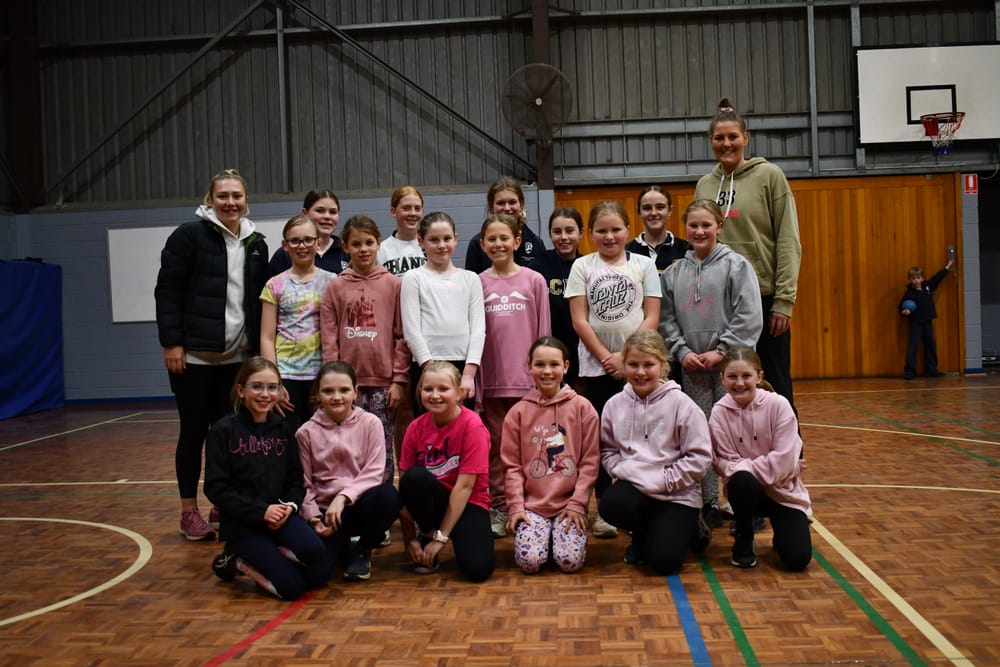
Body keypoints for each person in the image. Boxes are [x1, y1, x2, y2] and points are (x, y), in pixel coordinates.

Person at [155, 168, 269, 541]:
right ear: (210, 200)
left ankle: (224, 502)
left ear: (246, 200)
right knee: (193, 433)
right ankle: (188, 511)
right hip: (193, 358)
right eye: (223, 196)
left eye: (237, 196)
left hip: (237, 358)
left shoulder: (256, 243)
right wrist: (172, 342)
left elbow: (257, 301)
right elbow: (167, 291)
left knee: (229, 434)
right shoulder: (188, 236)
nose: (230, 202)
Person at [694, 98, 802, 422]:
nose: (726, 144)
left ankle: (790, 449)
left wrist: (784, 300)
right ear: (711, 141)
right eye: (719, 138)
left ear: (745, 138)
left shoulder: (769, 176)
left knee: (775, 383)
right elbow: (699, 239)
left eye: (732, 137)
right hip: (720, 301)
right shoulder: (705, 184)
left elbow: (788, 239)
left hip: (764, 298)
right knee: (728, 384)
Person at [658, 199, 762, 528]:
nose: (700, 231)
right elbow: (666, 319)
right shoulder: (674, 273)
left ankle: (745, 504)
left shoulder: (737, 266)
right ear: (685, 228)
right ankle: (709, 502)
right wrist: (682, 351)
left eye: (706, 225)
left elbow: (748, 315)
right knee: (699, 435)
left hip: (731, 370)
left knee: (738, 435)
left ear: (719, 226)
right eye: (694, 225)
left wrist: (723, 350)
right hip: (694, 370)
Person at [565, 200, 661, 538]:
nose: (609, 237)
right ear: (590, 233)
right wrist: (608, 356)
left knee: (639, 435)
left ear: (627, 231)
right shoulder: (582, 266)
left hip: (638, 368)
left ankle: (643, 501)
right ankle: (604, 506)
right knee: (602, 439)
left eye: (616, 230)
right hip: (597, 368)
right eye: (601, 231)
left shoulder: (644, 265)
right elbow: (580, 320)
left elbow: (652, 315)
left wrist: (627, 358)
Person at [204, 357, 327, 599]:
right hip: (243, 524)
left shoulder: (283, 429)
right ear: (241, 390)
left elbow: (295, 478)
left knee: (317, 571)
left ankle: (271, 553)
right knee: (292, 588)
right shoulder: (223, 431)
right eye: (257, 386)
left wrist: (289, 507)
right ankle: (236, 560)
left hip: (281, 518)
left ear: (280, 391)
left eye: (272, 387)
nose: (265, 394)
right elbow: (216, 488)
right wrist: (262, 511)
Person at [598, 331, 713, 574]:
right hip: (636, 486)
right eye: (633, 364)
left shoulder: (683, 405)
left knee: (664, 562)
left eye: (648, 365)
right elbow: (608, 451)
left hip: (676, 493)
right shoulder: (614, 405)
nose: (640, 372)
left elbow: (699, 458)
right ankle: (642, 533)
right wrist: (623, 470)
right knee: (610, 505)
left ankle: (693, 526)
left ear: (662, 365)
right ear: (624, 365)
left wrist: (667, 480)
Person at [320, 215, 410, 486]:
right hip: (348, 385)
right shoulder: (336, 286)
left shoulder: (393, 284)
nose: (363, 249)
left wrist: (399, 380)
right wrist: (333, 380)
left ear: (378, 243)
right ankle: (351, 498)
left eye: (369, 242)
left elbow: (401, 335)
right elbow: (329, 338)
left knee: (381, 444)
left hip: (384, 383)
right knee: (350, 445)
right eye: (356, 244)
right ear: (346, 247)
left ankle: (381, 500)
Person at [477, 213, 552, 537]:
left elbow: (544, 332)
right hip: (492, 383)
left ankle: (534, 504)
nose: (498, 244)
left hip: (528, 384)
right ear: (483, 245)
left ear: (517, 242)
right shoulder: (477, 283)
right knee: (497, 449)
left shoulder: (534, 280)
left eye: (504, 238)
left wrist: (543, 375)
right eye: (492, 239)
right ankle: (500, 506)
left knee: (534, 448)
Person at [296, 361, 402, 582]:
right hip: (326, 513)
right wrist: (313, 516)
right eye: (328, 391)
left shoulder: (371, 423)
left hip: (359, 505)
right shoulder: (305, 433)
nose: (337, 397)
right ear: (318, 394)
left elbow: (374, 472)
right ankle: (341, 546)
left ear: (355, 392)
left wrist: (343, 497)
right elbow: (304, 483)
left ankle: (362, 549)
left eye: (344, 390)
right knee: (316, 576)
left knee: (389, 496)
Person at [501, 337, 599, 574]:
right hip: (532, 506)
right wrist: (516, 506)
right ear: (529, 366)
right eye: (540, 364)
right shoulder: (517, 413)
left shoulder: (583, 408)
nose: (547, 371)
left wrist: (578, 504)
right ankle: (544, 536)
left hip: (568, 504)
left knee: (569, 562)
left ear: (565, 366)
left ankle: (558, 539)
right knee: (530, 562)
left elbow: (590, 463)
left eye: (554, 364)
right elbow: (511, 466)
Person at [709, 346, 812, 570]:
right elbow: (723, 462)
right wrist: (784, 466)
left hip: (783, 490)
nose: (739, 383)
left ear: (759, 376)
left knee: (797, 560)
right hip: (746, 493)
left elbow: (783, 461)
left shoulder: (779, 405)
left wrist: (739, 466)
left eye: (746, 376)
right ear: (722, 379)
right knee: (741, 481)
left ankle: (784, 530)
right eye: (732, 376)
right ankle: (744, 535)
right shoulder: (718, 412)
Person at [398, 361, 495, 581]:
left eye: (443, 389)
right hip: (433, 502)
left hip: (468, 501)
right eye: (428, 389)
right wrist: (409, 539)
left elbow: (465, 487)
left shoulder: (473, 426)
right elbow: (405, 489)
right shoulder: (415, 428)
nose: (435, 395)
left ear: (459, 393)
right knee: (414, 478)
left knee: (478, 569)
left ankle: (440, 535)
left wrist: (441, 539)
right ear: (419, 391)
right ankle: (426, 533)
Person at [401, 212, 485, 412]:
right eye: (434, 240)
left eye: (447, 239)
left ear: (455, 239)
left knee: (462, 426)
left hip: (462, 367)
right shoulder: (413, 278)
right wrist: (431, 370)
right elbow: (411, 330)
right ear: (421, 240)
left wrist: (469, 374)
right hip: (426, 365)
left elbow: (478, 329)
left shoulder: (471, 279)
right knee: (428, 427)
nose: (441, 245)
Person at [259, 215, 336, 430]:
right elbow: (266, 336)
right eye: (295, 241)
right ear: (285, 245)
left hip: (320, 373)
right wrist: (273, 381)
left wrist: (332, 376)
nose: (302, 246)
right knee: (286, 436)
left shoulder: (332, 281)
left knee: (320, 436)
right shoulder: (274, 284)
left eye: (308, 240)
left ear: (318, 243)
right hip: (286, 374)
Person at [527, 207, 584, 386]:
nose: (563, 237)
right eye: (557, 232)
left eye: (570, 231)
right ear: (550, 234)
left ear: (581, 233)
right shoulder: (537, 268)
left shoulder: (588, 266)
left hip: (582, 352)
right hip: (549, 353)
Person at [464, 177, 546, 274]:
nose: (507, 208)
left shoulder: (536, 243)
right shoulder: (477, 244)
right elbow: (472, 282)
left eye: (512, 202)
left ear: (521, 204)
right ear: (491, 207)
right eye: (501, 203)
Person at [268, 189, 348, 276]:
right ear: (305, 213)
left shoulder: (347, 251)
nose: (327, 216)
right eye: (320, 211)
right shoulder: (285, 254)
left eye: (333, 212)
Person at [899, 260, 954, 379]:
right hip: (915, 323)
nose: (916, 280)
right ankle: (910, 371)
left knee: (930, 345)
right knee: (913, 347)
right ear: (910, 279)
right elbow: (901, 307)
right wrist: (904, 312)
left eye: (918, 278)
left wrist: (947, 267)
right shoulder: (909, 293)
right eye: (913, 278)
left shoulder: (928, 286)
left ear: (922, 278)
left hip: (927, 322)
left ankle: (931, 370)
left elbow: (937, 278)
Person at [626, 186, 691, 271]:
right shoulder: (627, 252)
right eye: (647, 208)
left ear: (670, 211)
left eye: (660, 207)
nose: (653, 213)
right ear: (639, 212)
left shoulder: (687, 249)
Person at [378, 185, 427, 276]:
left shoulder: (431, 247)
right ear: (393, 212)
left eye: (417, 208)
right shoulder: (381, 250)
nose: (413, 213)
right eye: (406, 208)